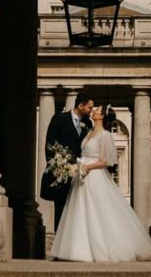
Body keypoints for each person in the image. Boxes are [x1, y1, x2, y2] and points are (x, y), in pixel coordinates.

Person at [49, 104, 151, 263]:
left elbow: (106, 161)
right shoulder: (88, 132)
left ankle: (102, 248)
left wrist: (87, 166)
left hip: (94, 175)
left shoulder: (106, 135)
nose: (94, 109)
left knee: (97, 213)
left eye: (97, 109)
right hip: (81, 176)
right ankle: (79, 250)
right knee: (79, 212)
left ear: (101, 116)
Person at [42, 93, 93, 227]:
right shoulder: (59, 118)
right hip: (62, 173)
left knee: (78, 210)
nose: (91, 111)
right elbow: (50, 144)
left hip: (80, 175)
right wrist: (57, 167)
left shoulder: (88, 123)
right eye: (89, 107)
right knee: (61, 209)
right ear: (80, 105)